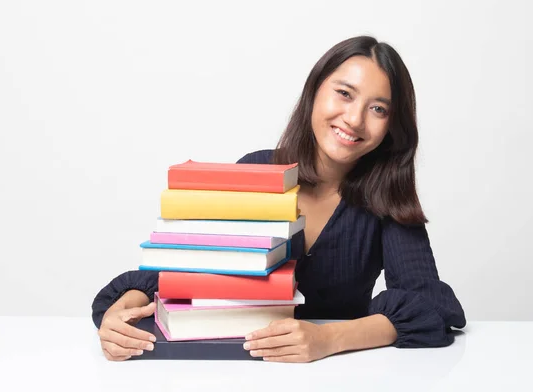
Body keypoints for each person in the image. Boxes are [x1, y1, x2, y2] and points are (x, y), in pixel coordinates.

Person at [92, 35, 466, 363]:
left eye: (378, 109)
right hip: (235, 368)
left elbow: (432, 306)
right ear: (315, 90)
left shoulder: (386, 197)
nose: (354, 119)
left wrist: (330, 339)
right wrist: (120, 313)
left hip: (343, 375)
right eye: (344, 94)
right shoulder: (255, 172)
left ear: (391, 125)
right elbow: (172, 275)